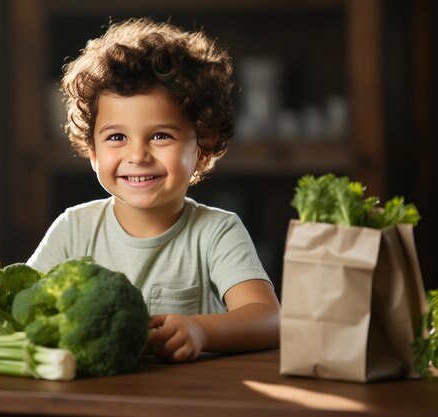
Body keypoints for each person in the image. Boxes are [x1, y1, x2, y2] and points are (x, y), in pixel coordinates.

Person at [27, 17, 280, 362]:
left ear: (203, 146)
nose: (138, 156)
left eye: (161, 136)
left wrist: (201, 330)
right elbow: (22, 309)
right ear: (93, 152)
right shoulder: (74, 229)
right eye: (117, 137)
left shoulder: (216, 232)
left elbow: (269, 318)